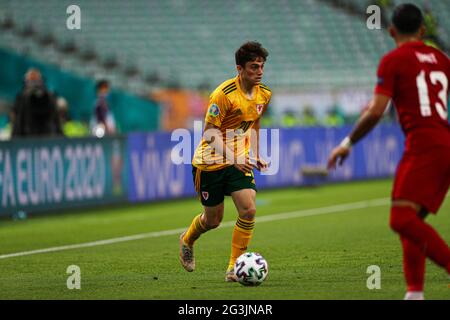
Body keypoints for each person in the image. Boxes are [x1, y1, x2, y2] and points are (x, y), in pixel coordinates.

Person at [327, 4, 450, 300]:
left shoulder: (393, 61)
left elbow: (375, 112)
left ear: (392, 31)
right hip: (444, 141)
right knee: (412, 219)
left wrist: (347, 143)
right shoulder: (442, 59)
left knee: (400, 220)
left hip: (424, 145)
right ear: (422, 29)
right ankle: (414, 293)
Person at [179, 41, 271, 282]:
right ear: (239, 69)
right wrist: (233, 158)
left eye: (261, 66)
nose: (259, 71)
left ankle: (233, 267)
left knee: (249, 209)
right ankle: (187, 239)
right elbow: (209, 134)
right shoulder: (223, 95)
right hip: (210, 163)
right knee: (213, 220)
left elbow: (255, 123)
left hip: (238, 161)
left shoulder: (264, 94)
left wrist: (257, 153)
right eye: (253, 66)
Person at [11, 68, 63, 137]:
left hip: (47, 136)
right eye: (31, 81)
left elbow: (56, 119)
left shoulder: (50, 97)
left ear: (41, 81)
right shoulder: (21, 98)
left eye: (36, 81)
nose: (34, 85)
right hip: (28, 138)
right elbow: (18, 121)